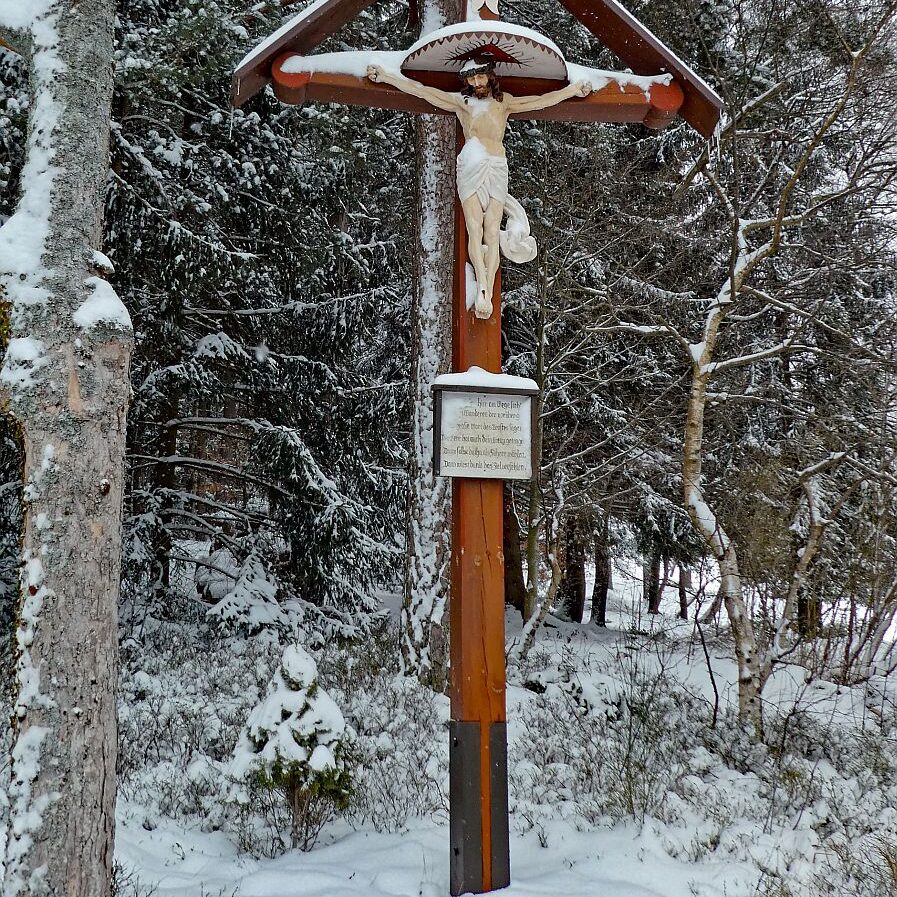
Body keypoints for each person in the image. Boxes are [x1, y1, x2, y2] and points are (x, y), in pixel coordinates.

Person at [367, 57, 592, 318]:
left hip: (497, 165)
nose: (476, 82)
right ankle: (482, 287)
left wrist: (572, 91)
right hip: (472, 164)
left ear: (490, 76)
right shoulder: (463, 102)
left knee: (492, 232)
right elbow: (424, 92)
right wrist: (386, 77)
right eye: (471, 78)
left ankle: (489, 289)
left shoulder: (503, 102)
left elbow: (539, 101)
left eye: (480, 76)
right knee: (475, 229)